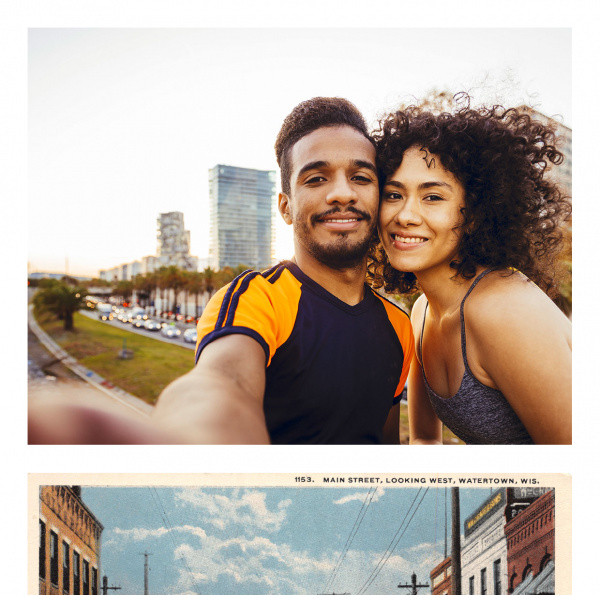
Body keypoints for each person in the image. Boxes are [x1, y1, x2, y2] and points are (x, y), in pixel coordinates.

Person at [28, 97, 414, 445]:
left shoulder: (400, 325)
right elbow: (221, 383)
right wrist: (192, 443)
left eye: (361, 177)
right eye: (316, 178)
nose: (342, 193)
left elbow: (382, 442)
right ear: (285, 206)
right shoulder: (254, 299)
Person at [368, 99, 572, 445]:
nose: (405, 215)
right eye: (393, 194)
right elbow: (425, 443)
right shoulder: (422, 312)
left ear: (474, 213)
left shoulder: (505, 309)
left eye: (433, 197)